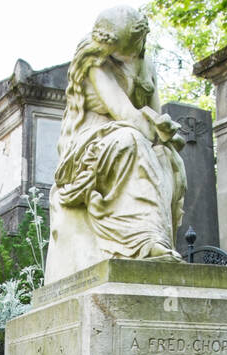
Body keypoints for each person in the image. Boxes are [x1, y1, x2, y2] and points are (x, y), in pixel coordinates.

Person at [44, 5, 187, 283]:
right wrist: (152, 127)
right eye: (126, 49)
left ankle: (157, 238)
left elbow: (154, 116)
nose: (133, 54)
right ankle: (141, 242)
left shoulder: (148, 66)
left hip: (135, 134)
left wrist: (167, 132)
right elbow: (125, 114)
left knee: (166, 156)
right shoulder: (95, 66)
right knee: (130, 141)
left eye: (136, 47)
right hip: (91, 141)